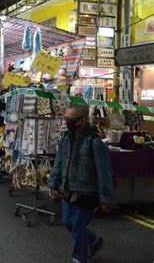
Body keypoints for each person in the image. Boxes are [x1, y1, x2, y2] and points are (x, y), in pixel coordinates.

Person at [48, 105, 114, 263]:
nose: (66, 122)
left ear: (82, 120)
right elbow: (59, 161)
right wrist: (53, 183)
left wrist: (106, 199)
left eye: (69, 119)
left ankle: (79, 258)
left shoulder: (95, 142)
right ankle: (93, 240)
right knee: (68, 222)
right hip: (67, 190)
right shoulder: (66, 138)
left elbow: (104, 172)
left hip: (86, 192)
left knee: (77, 226)